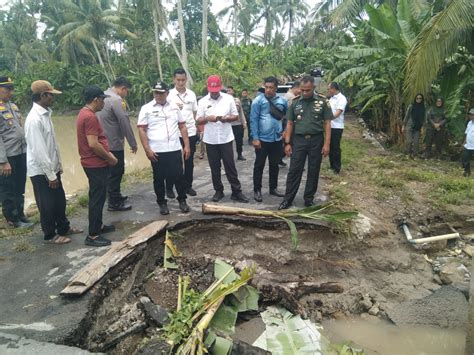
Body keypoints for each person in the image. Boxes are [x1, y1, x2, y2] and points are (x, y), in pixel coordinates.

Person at [25, 80, 82, 244]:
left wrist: (58, 168)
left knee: (59, 200)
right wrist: (50, 175)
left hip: (51, 168)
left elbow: (52, 146)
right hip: (42, 171)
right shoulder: (34, 120)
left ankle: (64, 227)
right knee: (47, 204)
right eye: (51, 95)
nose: (53, 98)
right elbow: (39, 151)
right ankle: (50, 235)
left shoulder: (45, 114)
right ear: (43, 95)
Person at [279, 75, 333, 210]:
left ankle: (308, 199)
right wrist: (287, 143)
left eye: (307, 90)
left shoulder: (323, 101)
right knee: (294, 170)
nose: (304, 93)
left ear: (313, 88)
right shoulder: (295, 102)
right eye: (302, 90)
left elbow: (327, 123)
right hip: (299, 140)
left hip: (316, 140)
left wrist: (327, 144)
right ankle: (288, 199)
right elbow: (290, 123)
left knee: (313, 170)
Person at [137, 82, 191, 215]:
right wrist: (147, 149)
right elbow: (142, 130)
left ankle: (182, 200)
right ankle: (161, 202)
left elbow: (182, 126)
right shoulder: (146, 108)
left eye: (161, 93)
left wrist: (187, 145)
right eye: (156, 93)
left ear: (167, 93)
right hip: (157, 150)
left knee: (178, 176)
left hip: (173, 148)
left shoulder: (174, 107)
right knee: (159, 178)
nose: (158, 96)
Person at [77, 86, 119, 247]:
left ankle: (99, 226)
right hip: (95, 164)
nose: (103, 103)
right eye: (102, 99)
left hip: (92, 163)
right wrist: (110, 158)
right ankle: (93, 235)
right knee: (97, 198)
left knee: (99, 197)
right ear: (96, 99)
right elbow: (93, 144)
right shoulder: (90, 117)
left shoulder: (84, 113)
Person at [197, 75, 249, 203]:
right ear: (208, 88)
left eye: (216, 90)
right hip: (211, 139)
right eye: (211, 90)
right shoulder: (202, 101)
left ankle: (236, 191)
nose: (214, 93)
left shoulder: (228, 98)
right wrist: (208, 119)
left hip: (226, 138)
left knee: (230, 165)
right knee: (214, 167)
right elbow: (198, 120)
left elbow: (235, 116)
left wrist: (226, 118)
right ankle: (218, 191)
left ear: (220, 87)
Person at [97, 76, 136, 212]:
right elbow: (124, 122)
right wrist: (133, 142)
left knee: (111, 172)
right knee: (117, 172)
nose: (126, 94)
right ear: (123, 88)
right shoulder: (116, 100)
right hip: (114, 143)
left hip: (103, 142)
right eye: (127, 91)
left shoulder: (103, 96)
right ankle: (114, 202)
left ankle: (115, 195)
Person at [0, 77, 32, 228]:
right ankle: (12, 219)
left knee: (20, 186)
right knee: (8, 189)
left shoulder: (13, 106)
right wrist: (3, 161)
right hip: (7, 157)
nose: (10, 92)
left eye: (11, 89)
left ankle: (20, 214)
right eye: (7, 89)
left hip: (20, 152)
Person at [250, 76, 288, 202]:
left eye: (271, 88)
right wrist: (255, 138)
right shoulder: (258, 101)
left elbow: (286, 118)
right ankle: (257, 190)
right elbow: (253, 120)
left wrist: (284, 132)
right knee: (259, 165)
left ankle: (273, 188)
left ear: (276, 88)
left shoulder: (282, 101)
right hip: (262, 140)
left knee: (274, 165)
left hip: (276, 140)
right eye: (266, 87)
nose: (268, 90)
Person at [167, 68, 199, 197]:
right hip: (174, 133)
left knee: (189, 161)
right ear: (174, 79)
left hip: (190, 132)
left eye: (183, 80)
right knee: (173, 162)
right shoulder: (168, 95)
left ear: (186, 80)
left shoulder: (191, 94)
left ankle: (187, 186)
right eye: (178, 80)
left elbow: (195, 112)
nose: (180, 82)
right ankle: (169, 187)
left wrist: (197, 129)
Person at [327, 82, 348, 174]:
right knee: (330, 146)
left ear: (333, 88)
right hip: (329, 126)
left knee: (335, 147)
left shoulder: (341, 98)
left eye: (329, 89)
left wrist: (328, 119)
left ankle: (336, 168)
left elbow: (338, 112)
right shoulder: (331, 98)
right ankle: (332, 166)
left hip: (337, 127)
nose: (328, 91)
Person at [226, 86, 247, 161]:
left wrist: (244, 122)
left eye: (230, 90)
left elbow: (241, 112)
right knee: (228, 142)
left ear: (233, 92)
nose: (228, 92)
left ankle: (239, 154)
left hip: (238, 124)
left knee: (239, 141)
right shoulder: (224, 101)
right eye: (227, 91)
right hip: (228, 125)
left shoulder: (237, 100)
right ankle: (229, 156)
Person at [402, 93, 425, 159]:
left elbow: (424, 118)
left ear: (422, 99)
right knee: (409, 141)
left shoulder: (423, 107)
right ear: (415, 99)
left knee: (416, 142)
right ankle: (408, 153)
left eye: (420, 98)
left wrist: (423, 127)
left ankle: (415, 155)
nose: (418, 99)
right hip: (409, 124)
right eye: (417, 98)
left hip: (418, 126)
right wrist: (403, 125)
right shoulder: (411, 106)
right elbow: (406, 116)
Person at [462, 108, 474, 177]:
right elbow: (467, 133)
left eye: (472, 115)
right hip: (468, 145)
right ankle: (467, 172)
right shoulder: (469, 123)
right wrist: (464, 143)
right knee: (465, 159)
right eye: (470, 115)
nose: (471, 116)